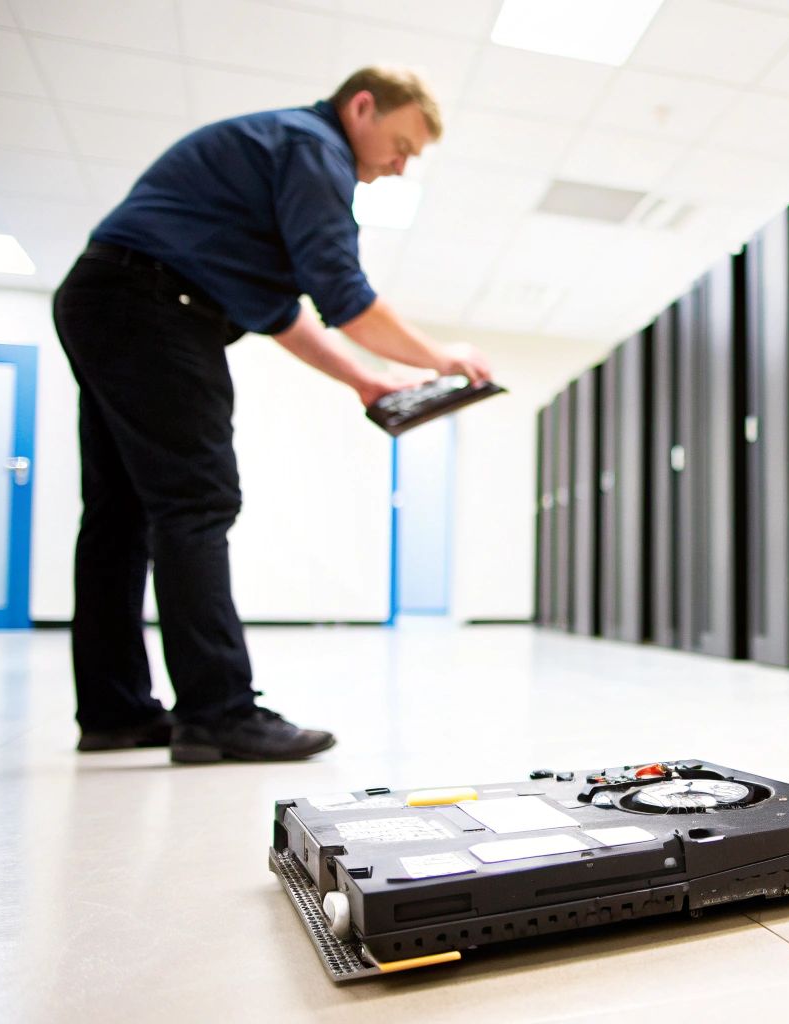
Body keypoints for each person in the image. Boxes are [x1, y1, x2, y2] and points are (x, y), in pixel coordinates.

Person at [55, 66, 491, 762]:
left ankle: (116, 710)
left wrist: (363, 381)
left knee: (122, 512)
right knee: (197, 501)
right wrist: (442, 357)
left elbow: (280, 311)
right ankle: (220, 713)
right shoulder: (313, 147)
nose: (399, 166)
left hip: (108, 296)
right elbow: (342, 296)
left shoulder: (277, 148)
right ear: (362, 106)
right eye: (401, 144)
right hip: (152, 310)